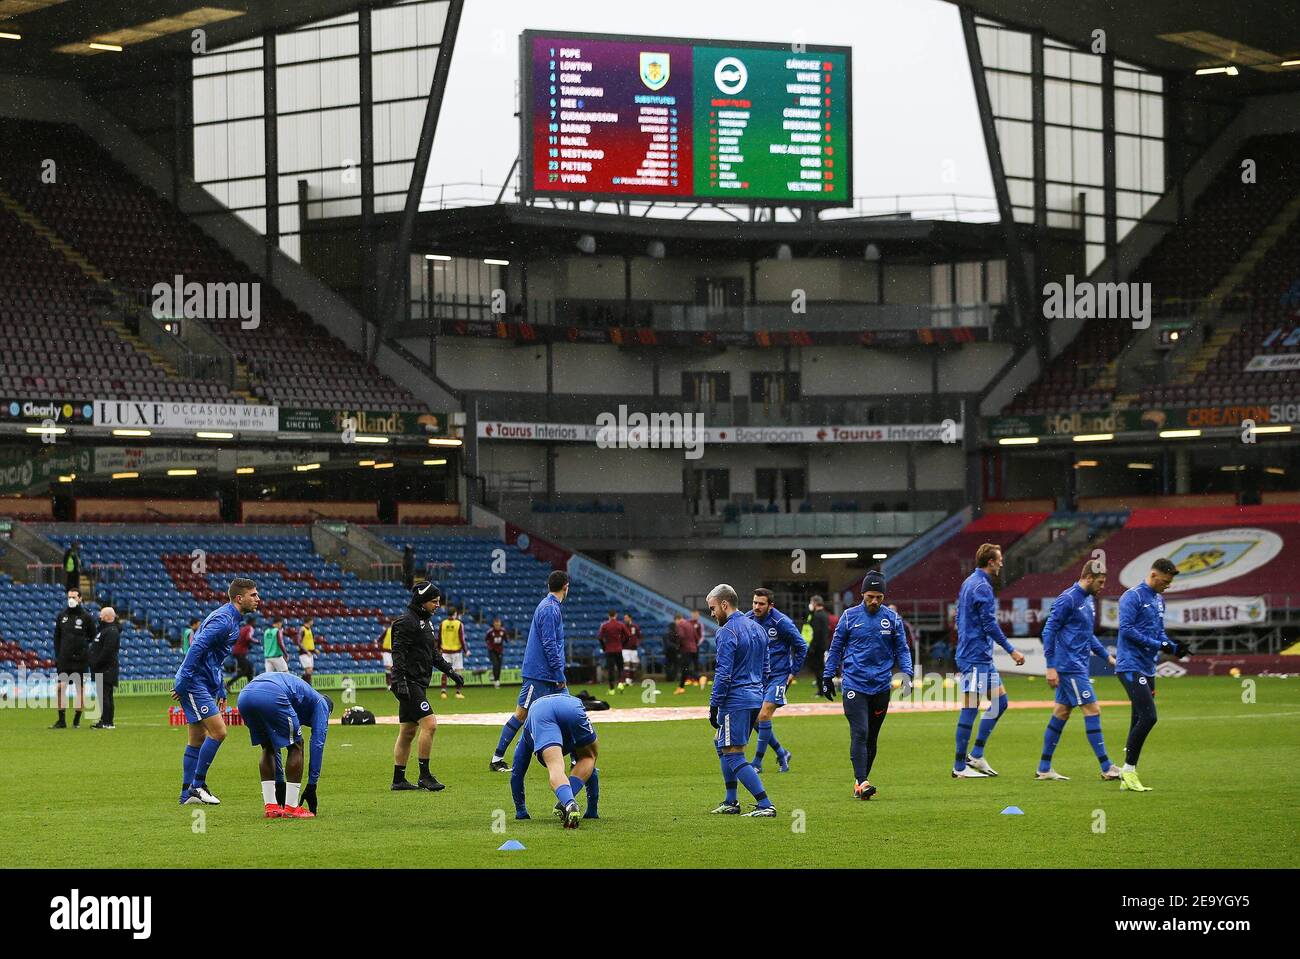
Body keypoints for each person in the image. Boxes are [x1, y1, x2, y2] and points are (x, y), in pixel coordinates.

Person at [819, 572, 913, 799]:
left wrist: (907, 674)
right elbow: (836, 647)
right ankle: (862, 781)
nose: (874, 601)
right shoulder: (849, 617)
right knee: (860, 732)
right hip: (854, 684)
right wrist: (827, 676)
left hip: (881, 686)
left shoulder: (892, 619)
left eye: (879, 597)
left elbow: (902, 648)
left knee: (872, 737)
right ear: (862, 594)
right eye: (870, 596)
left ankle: (859, 783)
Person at [174, 578, 261, 805]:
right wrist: (184, 680)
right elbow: (198, 646)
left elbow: (214, 657)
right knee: (219, 732)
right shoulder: (224, 620)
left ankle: (186, 794)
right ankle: (197, 785)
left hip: (202, 681)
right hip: (195, 682)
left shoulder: (231, 619)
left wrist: (220, 686)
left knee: (197, 737)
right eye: (253, 595)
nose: (258, 598)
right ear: (239, 598)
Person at [1036, 558, 1122, 782]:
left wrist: (1107, 657)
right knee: (1093, 710)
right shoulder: (1068, 599)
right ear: (1088, 578)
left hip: (1077, 666)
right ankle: (1107, 767)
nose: (1103, 586)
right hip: (1069, 667)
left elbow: (1087, 635)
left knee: (1061, 713)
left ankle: (1044, 768)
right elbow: (1048, 631)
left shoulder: (1088, 600)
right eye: (1100, 582)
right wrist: (1050, 666)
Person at [951, 543, 1026, 779]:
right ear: (991, 562)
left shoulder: (969, 582)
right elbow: (989, 624)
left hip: (979, 655)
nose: (1002, 562)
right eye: (1000, 559)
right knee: (971, 708)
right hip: (974, 657)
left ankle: (977, 754)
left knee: (1001, 703)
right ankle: (959, 767)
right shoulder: (982, 587)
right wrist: (1011, 650)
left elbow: (960, 616)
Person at [1115, 558, 1188, 792]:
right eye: (1165, 581)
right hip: (1129, 665)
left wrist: (1174, 647)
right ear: (1154, 575)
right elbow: (1126, 631)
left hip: (1147, 667)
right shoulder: (1132, 596)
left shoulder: (1159, 600)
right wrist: (1159, 644)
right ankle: (1128, 769)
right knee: (1149, 717)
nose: (1167, 586)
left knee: (1137, 719)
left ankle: (1127, 774)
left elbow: (1159, 632)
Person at [489, 569, 570, 772]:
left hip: (547, 674)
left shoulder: (549, 607)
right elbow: (550, 644)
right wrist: (559, 673)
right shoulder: (550, 609)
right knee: (522, 714)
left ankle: (577, 760)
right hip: (541, 674)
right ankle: (497, 758)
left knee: (569, 714)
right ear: (566, 587)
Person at [707, 584, 775, 817]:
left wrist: (714, 705)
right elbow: (767, 668)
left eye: (713, 608)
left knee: (733, 753)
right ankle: (731, 800)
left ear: (724, 604)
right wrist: (757, 691)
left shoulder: (727, 631)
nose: (712, 613)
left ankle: (765, 804)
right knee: (721, 743)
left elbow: (723, 673)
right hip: (755, 697)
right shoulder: (758, 629)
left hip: (734, 699)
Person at [389, 582, 464, 791]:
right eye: (434, 601)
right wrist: (400, 682)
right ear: (422, 602)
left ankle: (399, 779)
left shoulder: (427, 623)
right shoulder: (406, 622)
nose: (438, 605)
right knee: (430, 725)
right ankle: (424, 776)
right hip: (408, 683)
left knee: (407, 732)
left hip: (417, 683)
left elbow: (433, 654)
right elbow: (398, 654)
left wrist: (450, 672)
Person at [237, 671, 332, 819]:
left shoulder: (302, 701)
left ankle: (271, 806)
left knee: (268, 746)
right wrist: (312, 785)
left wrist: (280, 782)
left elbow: (277, 742)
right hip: (271, 693)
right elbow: (317, 744)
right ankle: (292, 808)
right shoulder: (321, 704)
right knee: (297, 745)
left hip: (245, 695)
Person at [509, 693, 600, 828]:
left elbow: (517, 773)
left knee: (555, 766)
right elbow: (590, 772)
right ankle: (572, 803)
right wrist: (592, 810)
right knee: (588, 757)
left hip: (540, 711)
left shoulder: (526, 735)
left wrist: (521, 811)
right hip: (572, 706)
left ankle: (569, 803)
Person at [746, 588, 807, 773]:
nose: (757, 607)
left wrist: (793, 672)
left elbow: (801, 645)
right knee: (755, 719)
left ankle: (756, 763)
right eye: (755, 602)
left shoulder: (781, 622)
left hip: (779, 676)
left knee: (763, 715)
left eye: (761, 604)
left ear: (771, 606)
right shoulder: (748, 619)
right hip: (757, 676)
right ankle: (782, 753)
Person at [51, 586, 96, 729]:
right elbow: (57, 637)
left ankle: (76, 720)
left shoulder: (86, 617)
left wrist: (83, 648)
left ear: (80, 599)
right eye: (69, 597)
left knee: (80, 690)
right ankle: (61, 720)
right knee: (60, 688)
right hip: (64, 659)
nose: (71, 600)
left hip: (81, 659)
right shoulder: (61, 616)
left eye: (74, 597)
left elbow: (93, 636)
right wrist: (58, 656)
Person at [88, 606, 121, 730]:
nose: (99, 618)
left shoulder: (111, 631)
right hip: (102, 668)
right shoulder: (104, 630)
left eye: (101, 615)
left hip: (106, 668)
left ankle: (107, 721)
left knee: (105, 695)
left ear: (108, 617)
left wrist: (96, 662)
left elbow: (108, 651)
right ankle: (105, 719)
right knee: (104, 695)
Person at [597, 610, 628, 692]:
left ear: (608, 615)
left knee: (611, 669)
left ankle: (611, 689)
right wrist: (622, 644)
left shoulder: (605, 625)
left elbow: (600, 637)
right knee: (620, 667)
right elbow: (628, 635)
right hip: (618, 649)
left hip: (609, 650)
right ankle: (621, 682)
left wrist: (604, 647)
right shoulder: (620, 624)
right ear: (616, 615)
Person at [227, 616, 256, 692]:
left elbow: (241, 639)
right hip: (240, 652)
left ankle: (251, 688)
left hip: (237, 651)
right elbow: (248, 638)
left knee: (249, 669)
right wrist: (256, 641)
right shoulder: (250, 628)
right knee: (245, 670)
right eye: (254, 622)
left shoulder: (243, 628)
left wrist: (247, 645)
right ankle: (228, 684)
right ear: (252, 622)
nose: (255, 624)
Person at [807, 595, 830, 682]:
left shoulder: (817, 615)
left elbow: (816, 632)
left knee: (818, 668)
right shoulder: (824, 614)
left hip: (818, 646)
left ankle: (821, 689)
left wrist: (812, 646)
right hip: (824, 644)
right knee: (822, 667)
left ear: (815, 603)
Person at [674, 612, 699, 693]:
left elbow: (681, 635)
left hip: (686, 649)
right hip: (694, 648)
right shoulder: (690, 624)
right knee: (690, 666)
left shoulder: (680, 625)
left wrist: (678, 645)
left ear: (677, 619)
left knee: (684, 668)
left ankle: (699, 677)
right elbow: (696, 636)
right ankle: (682, 686)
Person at [485, 617, 508, 689]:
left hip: (500, 651)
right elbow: (486, 639)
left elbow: (506, 639)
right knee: (495, 664)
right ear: (494, 624)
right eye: (496, 624)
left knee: (499, 666)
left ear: (500, 624)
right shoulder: (490, 632)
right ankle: (495, 680)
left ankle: (497, 680)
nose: (497, 625)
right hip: (492, 651)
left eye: (499, 624)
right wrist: (490, 646)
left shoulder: (503, 631)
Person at [622, 613, 642, 684]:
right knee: (626, 663)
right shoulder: (622, 627)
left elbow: (639, 636)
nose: (625, 619)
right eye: (624, 618)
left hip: (634, 649)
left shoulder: (635, 626)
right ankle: (626, 680)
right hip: (625, 648)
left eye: (626, 618)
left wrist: (637, 643)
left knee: (634, 665)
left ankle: (630, 679)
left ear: (630, 618)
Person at [298, 616, 316, 686]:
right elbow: (299, 642)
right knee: (308, 670)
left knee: (310, 670)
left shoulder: (309, 630)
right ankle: (308, 685)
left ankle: (303, 684)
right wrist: (306, 651)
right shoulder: (302, 629)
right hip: (304, 653)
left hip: (310, 652)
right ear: (309, 621)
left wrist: (314, 650)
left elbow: (309, 642)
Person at [663, 615, 681, 686]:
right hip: (674, 651)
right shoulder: (675, 633)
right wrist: (677, 647)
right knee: (675, 664)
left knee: (668, 665)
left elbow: (666, 642)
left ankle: (669, 677)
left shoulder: (667, 633)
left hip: (668, 651)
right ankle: (673, 677)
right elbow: (676, 642)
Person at [378, 619, 394, 688]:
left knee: (393, 668)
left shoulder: (399, 632)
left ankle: (393, 684)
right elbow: (379, 640)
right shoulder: (387, 630)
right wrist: (382, 648)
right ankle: (389, 684)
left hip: (394, 652)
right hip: (387, 652)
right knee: (388, 667)